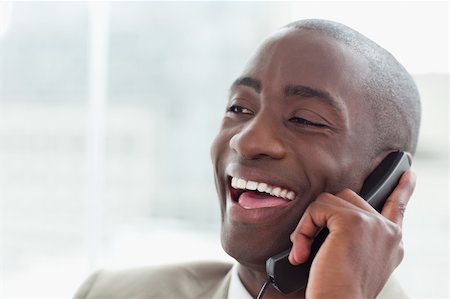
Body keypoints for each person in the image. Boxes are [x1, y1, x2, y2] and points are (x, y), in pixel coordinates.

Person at [74, 19, 421, 299]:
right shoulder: (107, 293)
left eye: (304, 120)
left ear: (386, 181)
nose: (247, 140)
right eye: (239, 108)